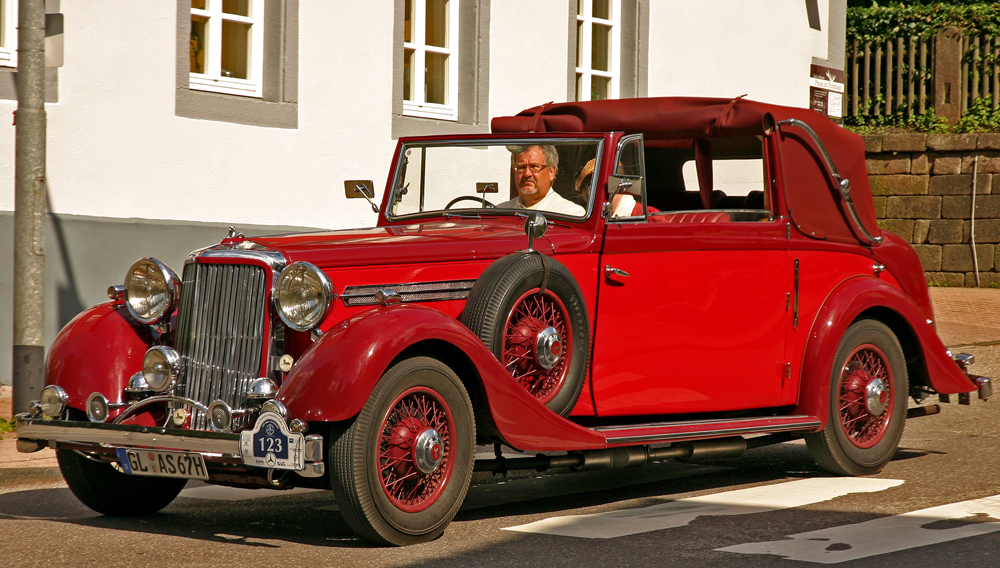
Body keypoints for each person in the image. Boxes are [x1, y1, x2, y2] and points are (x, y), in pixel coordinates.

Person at [497, 145, 585, 216]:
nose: (527, 174)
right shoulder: (499, 212)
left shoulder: (568, 213)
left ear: (551, 172)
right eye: (521, 167)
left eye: (534, 167)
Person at [574, 158, 663, 220]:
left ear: (620, 185)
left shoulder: (649, 216)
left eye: (604, 185)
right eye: (590, 187)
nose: (597, 193)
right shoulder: (593, 220)